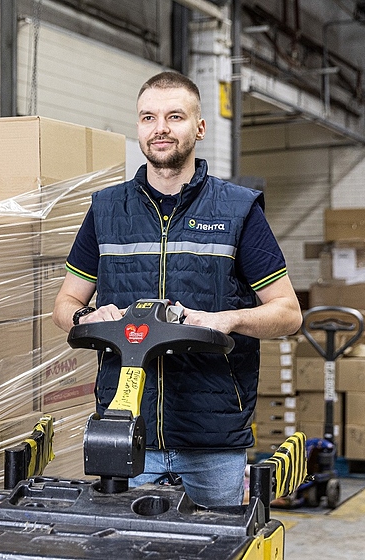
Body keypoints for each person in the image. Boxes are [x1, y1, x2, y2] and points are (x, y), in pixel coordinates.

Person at [52, 70, 303, 507]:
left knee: (217, 541)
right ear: (138, 127)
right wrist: (86, 316)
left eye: (175, 116)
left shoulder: (238, 210)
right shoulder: (107, 210)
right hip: (126, 429)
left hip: (213, 440)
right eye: (148, 117)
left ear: (199, 127)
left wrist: (228, 319)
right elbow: (64, 303)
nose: (160, 128)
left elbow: (288, 312)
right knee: (127, 541)